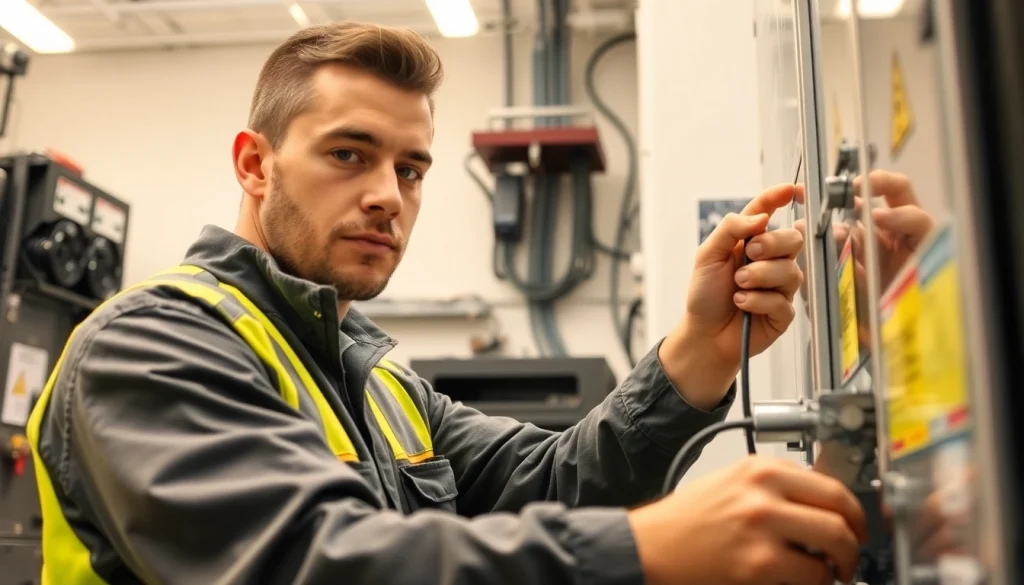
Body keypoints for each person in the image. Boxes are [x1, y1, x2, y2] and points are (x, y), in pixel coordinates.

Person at [27, 21, 868, 585]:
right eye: (350, 154)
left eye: (411, 169)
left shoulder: (378, 374)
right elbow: (318, 562)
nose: (389, 195)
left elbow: (549, 479)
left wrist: (701, 346)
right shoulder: (146, 347)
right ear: (255, 164)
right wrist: (649, 548)